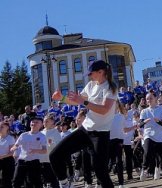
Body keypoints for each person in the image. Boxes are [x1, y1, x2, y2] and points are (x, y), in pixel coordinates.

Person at [50, 60, 118, 188]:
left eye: (91, 73)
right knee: (55, 155)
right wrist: (62, 99)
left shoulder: (111, 88)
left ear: (101, 72)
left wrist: (84, 102)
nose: (89, 76)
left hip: (100, 135)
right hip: (85, 130)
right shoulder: (91, 85)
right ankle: (65, 184)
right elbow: (77, 101)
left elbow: (104, 110)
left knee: (100, 172)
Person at [138, 92, 162, 187]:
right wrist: (144, 121)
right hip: (148, 134)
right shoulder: (144, 111)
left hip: (160, 137)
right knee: (147, 151)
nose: (149, 100)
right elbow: (140, 124)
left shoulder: (161, 110)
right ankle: (144, 169)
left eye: (150, 98)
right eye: (147, 99)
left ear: (155, 98)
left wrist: (159, 121)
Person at [11, 116, 47, 188]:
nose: (34, 123)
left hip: (34, 162)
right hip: (21, 161)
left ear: (41, 125)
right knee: (16, 181)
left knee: (35, 182)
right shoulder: (24, 135)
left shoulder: (42, 136)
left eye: (36, 122)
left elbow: (45, 151)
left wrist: (36, 150)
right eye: (32, 122)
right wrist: (13, 148)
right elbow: (16, 145)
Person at [41, 113, 62, 188]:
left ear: (52, 122)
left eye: (47, 121)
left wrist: (51, 144)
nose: (44, 123)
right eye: (44, 121)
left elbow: (58, 146)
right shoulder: (41, 132)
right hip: (42, 159)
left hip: (51, 159)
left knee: (53, 179)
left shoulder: (55, 132)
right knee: (45, 179)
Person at [0, 121, 16, 188]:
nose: (0, 128)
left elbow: (11, 152)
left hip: (8, 160)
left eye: (1, 127)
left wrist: (1, 156)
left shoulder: (10, 138)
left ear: (7, 127)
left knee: (6, 180)